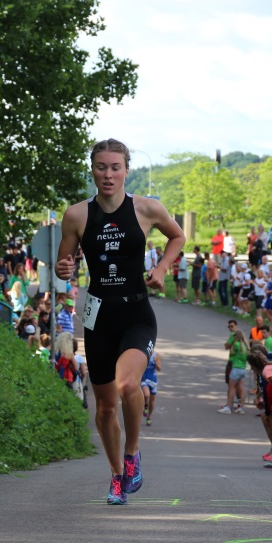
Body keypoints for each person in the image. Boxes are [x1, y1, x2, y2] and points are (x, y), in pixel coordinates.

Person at [55, 138, 186, 505]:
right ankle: (116, 476)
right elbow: (65, 265)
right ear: (92, 170)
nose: (108, 174)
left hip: (136, 313)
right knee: (104, 406)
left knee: (129, 384)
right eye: (101, 167)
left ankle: (132, 454)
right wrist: (66, 267)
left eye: (115, 167)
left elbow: (178, 236)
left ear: (127, 170)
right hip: (98, 315)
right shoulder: (77, 215)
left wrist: (162, 267)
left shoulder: (146, 208)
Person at [219, 328, 249, 414]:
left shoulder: (236, 344)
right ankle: (241, 407)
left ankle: (228, 406)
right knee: (241, 388)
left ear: (236, 336)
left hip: (236, 367)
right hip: (243, 369)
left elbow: (231, 353)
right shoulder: (245, 345)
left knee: (231, 387)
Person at [141, 349, 161, 426]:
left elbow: (159, 369)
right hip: (144, 379)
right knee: (146, 395)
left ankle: (148, 417)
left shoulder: (157, 355)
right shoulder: (142, 354)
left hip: (153, 381)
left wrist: (156, 362)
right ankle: (146, 405)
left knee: (152, 401)